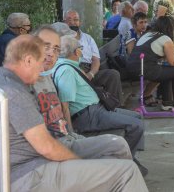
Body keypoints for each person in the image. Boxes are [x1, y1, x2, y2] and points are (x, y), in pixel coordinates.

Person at [0, 35, 148, 191]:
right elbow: (47, 148)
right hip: (31, 177)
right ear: (27, 60)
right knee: (127, 172)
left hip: (24, 171)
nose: (42, 69)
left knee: (116, 159)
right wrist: (79, 162)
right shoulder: (14, 93)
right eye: (41, 62)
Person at [32, 25, 134, 161]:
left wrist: (70, 134)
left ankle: (130, 166)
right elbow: (64, 107)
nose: (51, 54)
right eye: (46, 47)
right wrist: (71, 133)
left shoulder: (46, 77)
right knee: (120, 143)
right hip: (67, 139)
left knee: (124, 141)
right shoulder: (34, 81)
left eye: (56, 49)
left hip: (69, 135)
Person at [52, 35, 148, 175]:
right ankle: (125, 164)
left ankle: (130, 157)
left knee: (137, 117)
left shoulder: (69, 66)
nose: (82, 51)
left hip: (96, 109)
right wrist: (71, 133)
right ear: (75, 52)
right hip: (88, 115)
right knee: (136, 125)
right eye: (81, 48)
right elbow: (64, 105)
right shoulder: (66, 71)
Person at [126, 16, 174, 112]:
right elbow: (173, 62)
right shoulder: (165, 39)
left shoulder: (147, 34)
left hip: (131, 68)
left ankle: (167, 102)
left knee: (167, 70)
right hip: (144, 69)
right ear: (171, 28)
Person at [64, 10, 123, 103]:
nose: (72, 22)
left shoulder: (88, 38)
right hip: (74, 70)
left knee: (113, 74)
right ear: (64, 22)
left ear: (80, 22)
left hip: (90, 70)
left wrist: (91, 74)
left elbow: (96, 60)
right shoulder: (62, 39)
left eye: (75, 20)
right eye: (69, 20)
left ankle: (114, 105)